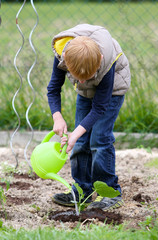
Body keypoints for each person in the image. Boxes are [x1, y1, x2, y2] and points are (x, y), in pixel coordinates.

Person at [47, 24, 131, 211]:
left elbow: (100, 107)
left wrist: (75, 133)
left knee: (99, 139)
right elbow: (53, 89)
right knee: (80, 142)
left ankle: (110, 191)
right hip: (86, 94)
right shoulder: (62, 55)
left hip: (112, 91)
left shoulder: (107, 61)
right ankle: (82, 189)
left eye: (87, 77)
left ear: (99, 60)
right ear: (66, 62)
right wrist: (57, 116)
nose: (82, 82)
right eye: (78, 78)